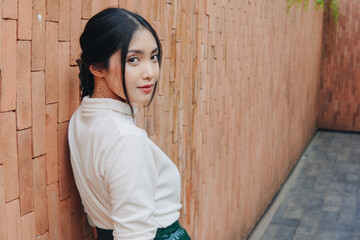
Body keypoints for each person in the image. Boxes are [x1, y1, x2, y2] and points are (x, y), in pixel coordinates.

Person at [68, 8, 192, 240]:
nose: (150, 73)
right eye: (133, 59)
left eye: (153, 57)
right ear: (97, 67)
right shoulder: (125, 139)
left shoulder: (82, 117)